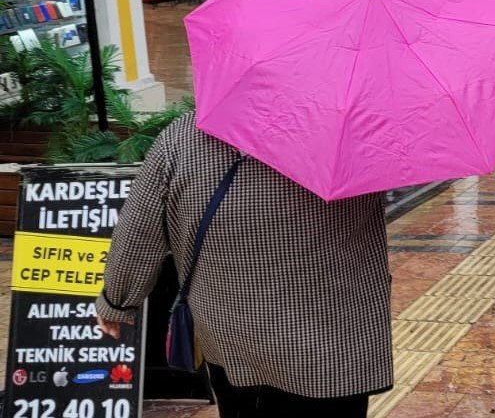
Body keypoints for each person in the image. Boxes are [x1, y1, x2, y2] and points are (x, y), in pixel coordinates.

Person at [95, 114, 392, 417]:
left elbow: (139, 230)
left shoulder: (184, 136)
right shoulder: (355, 132)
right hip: (334, 339)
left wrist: (116, 301)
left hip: (231, 334)